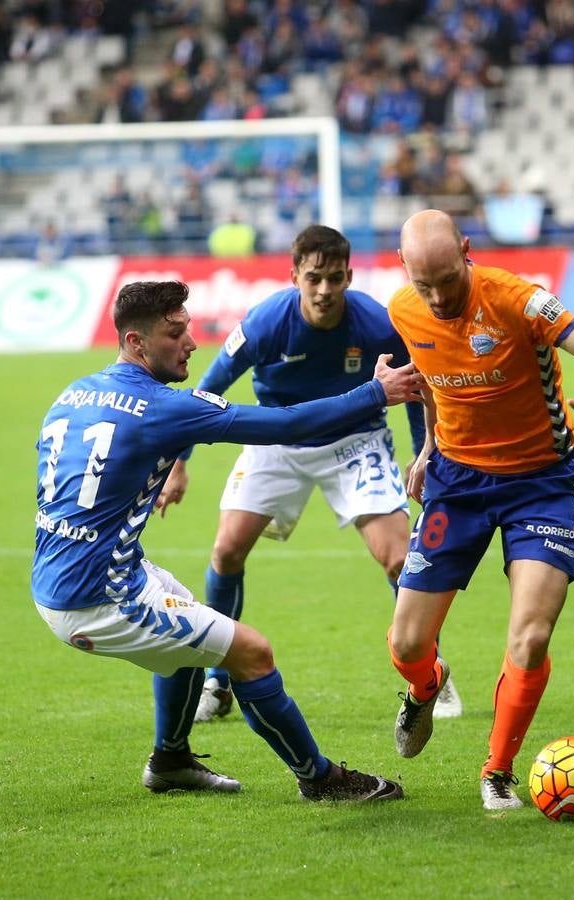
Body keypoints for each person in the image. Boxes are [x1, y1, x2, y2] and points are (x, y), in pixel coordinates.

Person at [31, 280, 422, 802]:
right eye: (176, 333)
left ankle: (170, 760)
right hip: (98, 597)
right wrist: (375, 393)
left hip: (63, 577)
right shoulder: (162, 408)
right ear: (136, 342)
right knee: (253, 653)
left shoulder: (72, 393)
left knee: (189, 616)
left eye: (188, 327)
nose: (191, 342)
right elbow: (284, 423)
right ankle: (320, 779)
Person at [158, 226, 465, 723]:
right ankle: (216, 683)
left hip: (356, 442)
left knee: (398, 559)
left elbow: (413, 389)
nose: (325, 290)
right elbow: (208, 391)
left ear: (349, 275)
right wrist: (180, 461)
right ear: (294, 275)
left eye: (335, 278)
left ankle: (427, 674)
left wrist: (424, 452)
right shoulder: (264, 323)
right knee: (227, 550)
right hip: (276, 440)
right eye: (314, 278)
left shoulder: (378, 324)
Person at [385, 209, 574, 810]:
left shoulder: (520, 301)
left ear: (467, 251)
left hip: (540, 485)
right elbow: (430, 381)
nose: (439, 296)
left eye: (449, 278)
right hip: (456, 487)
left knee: (531, 635)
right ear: (406, 273)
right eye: (426, 285)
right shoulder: (402, 310)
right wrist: (425, 448)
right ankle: (427, 686)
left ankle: (497, 770)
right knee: (407, 643)